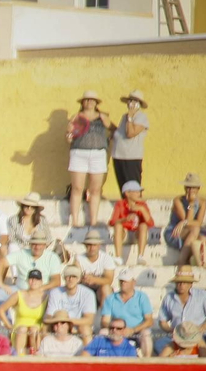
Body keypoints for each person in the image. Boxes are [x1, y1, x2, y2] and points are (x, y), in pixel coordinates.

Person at [66, 90, 111, 229]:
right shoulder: (76, 117)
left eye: (92, 100)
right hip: (79, 152)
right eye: (87, 100)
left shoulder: (103, 116)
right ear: (82, 103)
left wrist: (106, 139)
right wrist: (68, 136)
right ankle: (75, 221)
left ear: (96, 103)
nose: (89, 102)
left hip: (98, 153)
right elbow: (68, 135)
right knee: (77, 187)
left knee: (96, 189)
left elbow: (112, 128)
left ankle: (93, 221)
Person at [155, 266, 206, 355]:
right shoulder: (169, 298)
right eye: (179, 282)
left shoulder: (203, 295)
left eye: (185, 282)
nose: (181, 285)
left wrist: (202, 328)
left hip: (197, 335)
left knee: (202, 345)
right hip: (177, 336)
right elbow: (162, 321)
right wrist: (171, 330)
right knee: (159, 344)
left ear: (191, 283)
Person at [107, 181, 154, 268]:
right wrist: (125, 219)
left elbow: (150, 223)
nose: (139, 194)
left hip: (138, 235)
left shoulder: (142, 204)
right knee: (118, 226)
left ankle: (140, 256)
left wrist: (142, 210)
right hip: (123, 234)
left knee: (143, 225)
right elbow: (112, 222)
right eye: (136, 191)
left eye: (139, 192)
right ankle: (118, 257)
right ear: (127, 193)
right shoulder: (120, 204)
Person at [111, 90, 149, 192]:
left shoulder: (141, 117)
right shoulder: (125, 117)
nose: (131, 103)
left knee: (133, 189)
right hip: (118, 156)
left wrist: (131, 117)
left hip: (132, 157)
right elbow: (120, 133)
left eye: (135, 101)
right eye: (130, 100)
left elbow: (130, 133)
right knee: (123, 189)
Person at [169, 174, 206, 264]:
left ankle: (192, 261)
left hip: (191, 231)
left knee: (203, 239)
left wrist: (185, 222)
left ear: (198, 189)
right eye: (188, 187)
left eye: (193, 188)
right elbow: (187, 220)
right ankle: (182, 260)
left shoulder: (203, 202)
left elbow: (198, 222)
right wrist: (191, 203)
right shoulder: (178, 201)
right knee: (195, 229)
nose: (190, 190)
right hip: (175, 231)